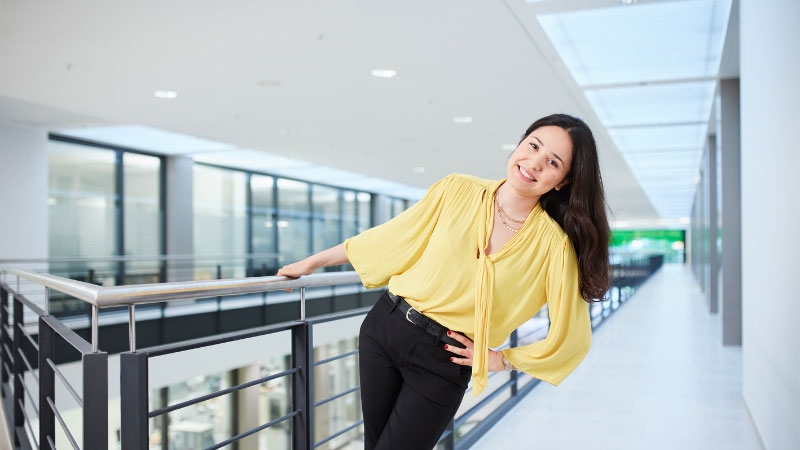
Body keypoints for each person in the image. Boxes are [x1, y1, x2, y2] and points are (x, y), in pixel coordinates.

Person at [277, 113, 610, 450]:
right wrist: (312, 262)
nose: (534, 163)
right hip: (386, 328)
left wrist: (501, 359)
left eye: (552, 162)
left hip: (445, 360)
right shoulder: (457, 189)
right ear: (519, 144)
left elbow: (573, 338)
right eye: (533, 146)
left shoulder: (553, 246)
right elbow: (394, 236)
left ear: (563, 182)